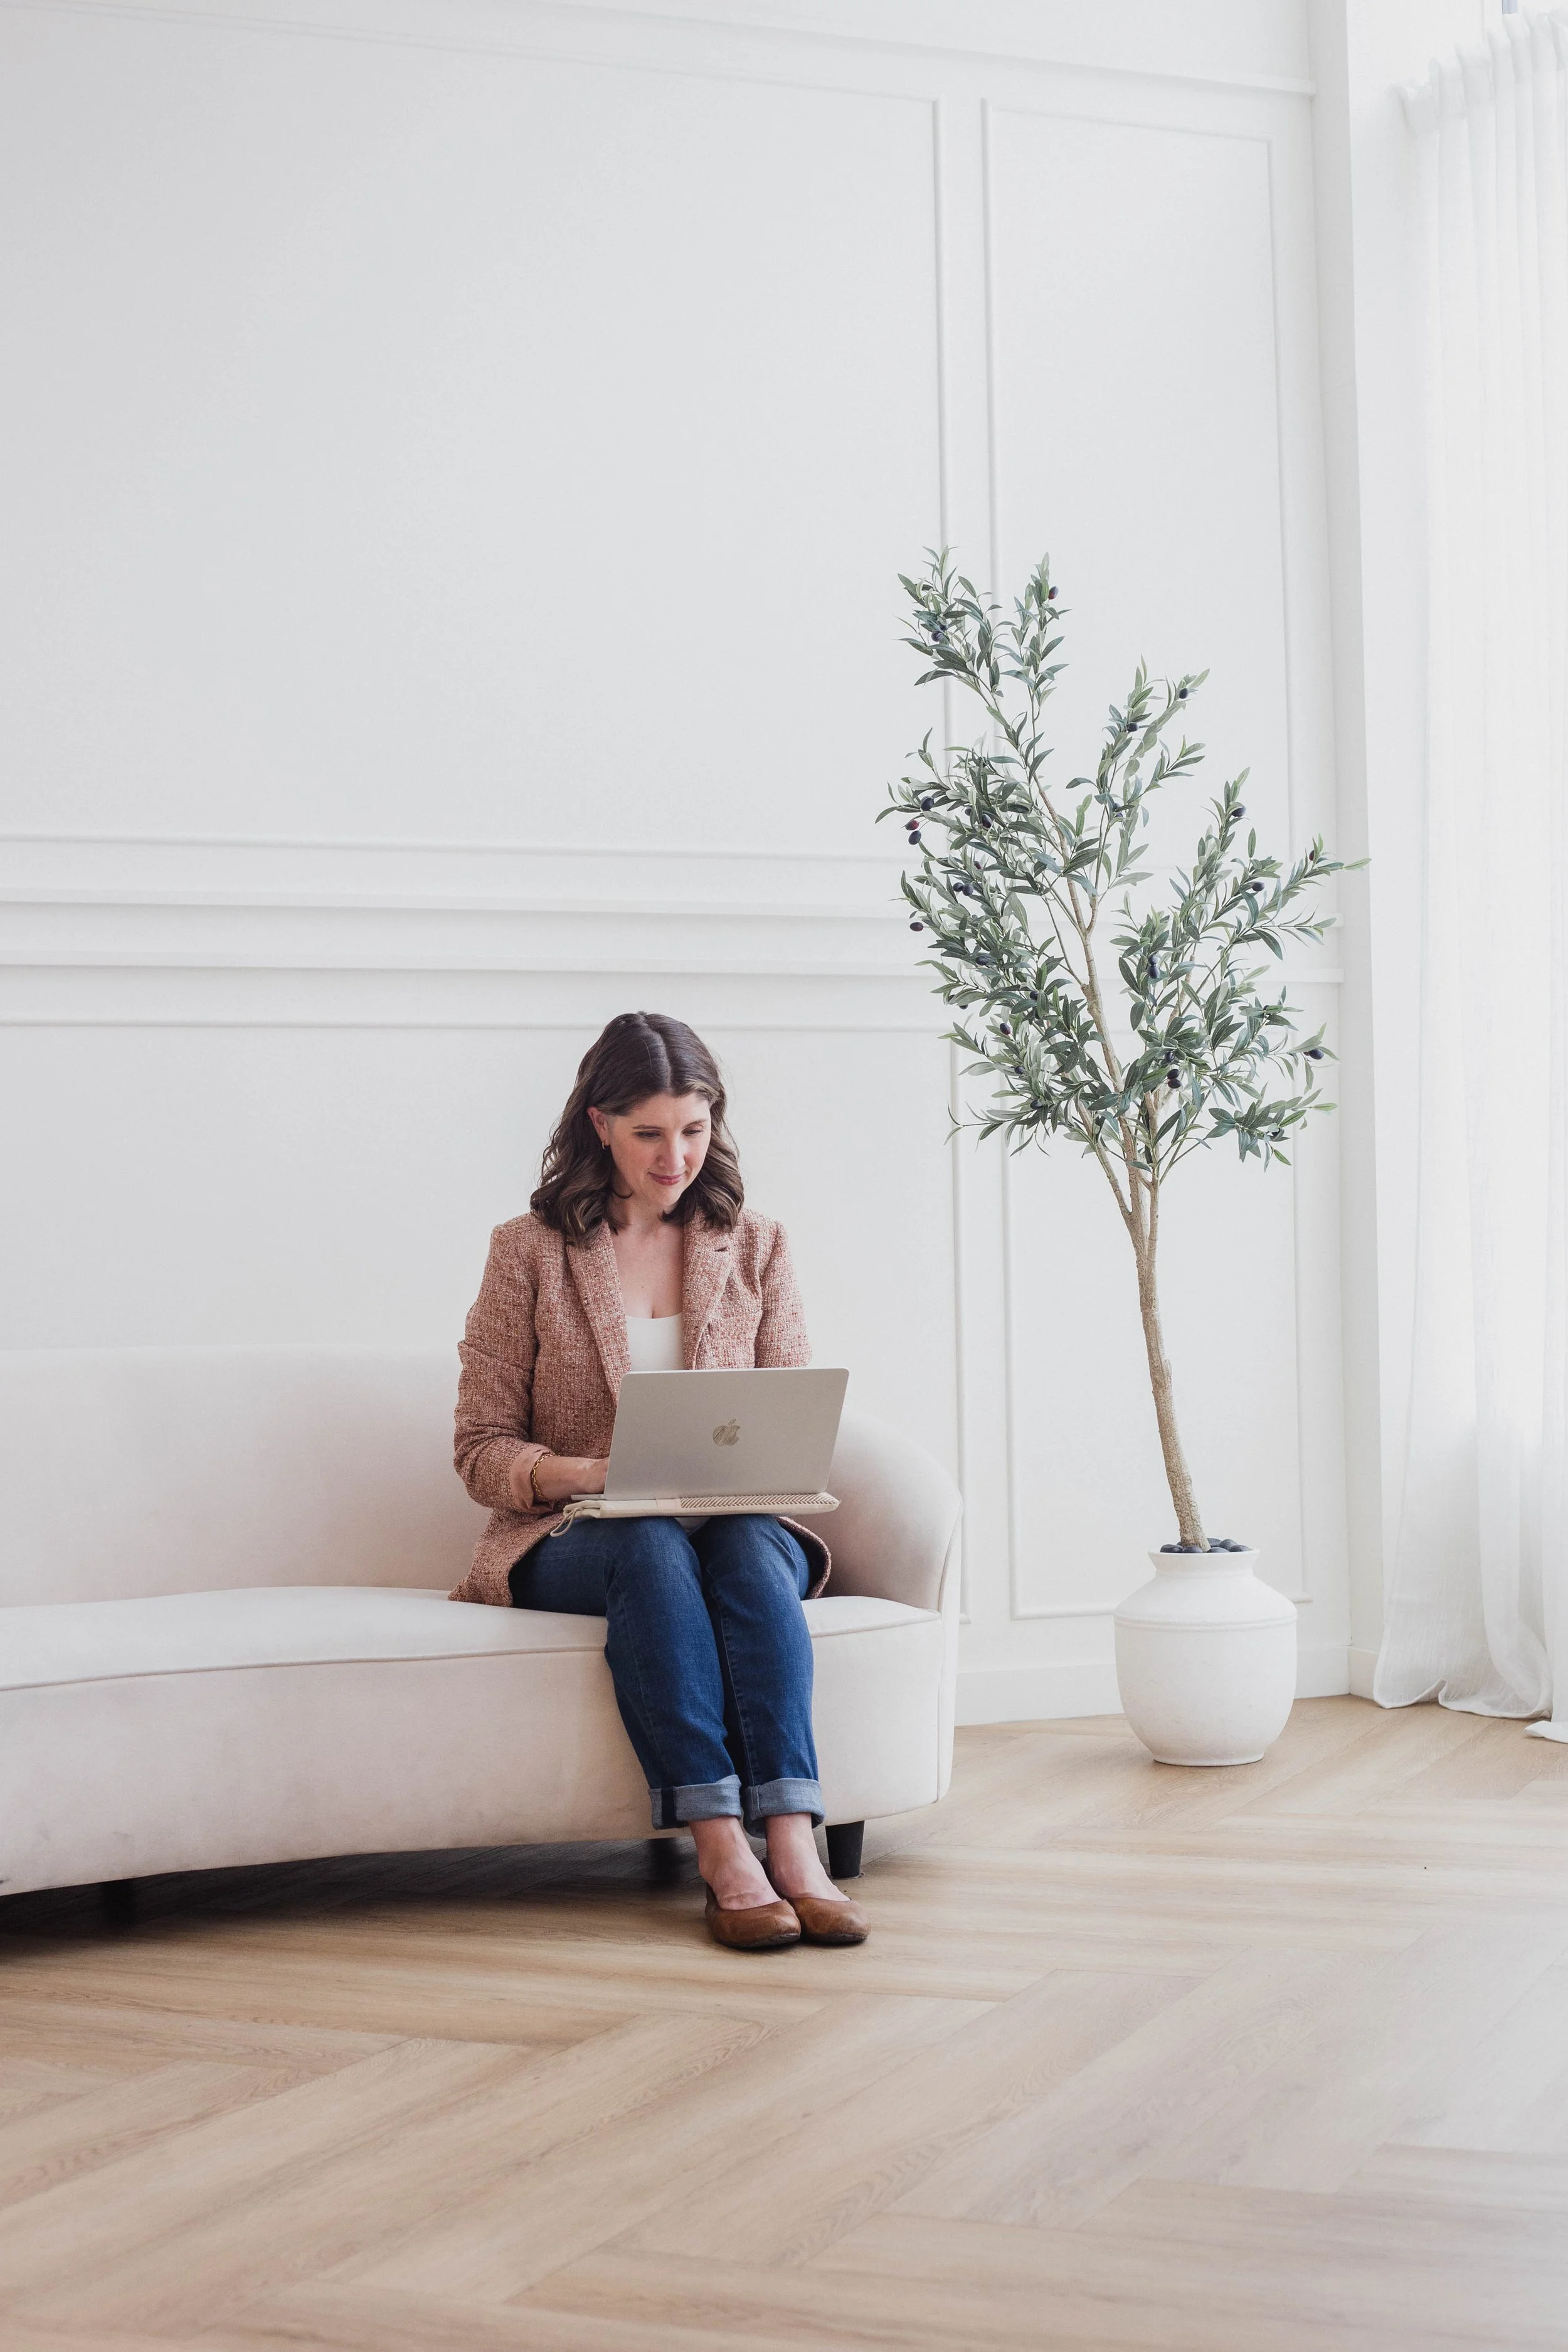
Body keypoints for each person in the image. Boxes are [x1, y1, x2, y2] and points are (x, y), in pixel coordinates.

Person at [450, 1010, 868, 1952]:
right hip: (577, 1535)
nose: (675, 1154)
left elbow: (790, 1410)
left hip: (728, 1518)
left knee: (751, 1554)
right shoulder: (528, 1251)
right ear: (599, 1123)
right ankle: (724, 1849)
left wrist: (761, 1466)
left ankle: (797, 1846)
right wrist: (585, 1473)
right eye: (649, 1132)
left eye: (694, 1127)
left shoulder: (755, 1242)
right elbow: (480, 1449)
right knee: (644, 1541)